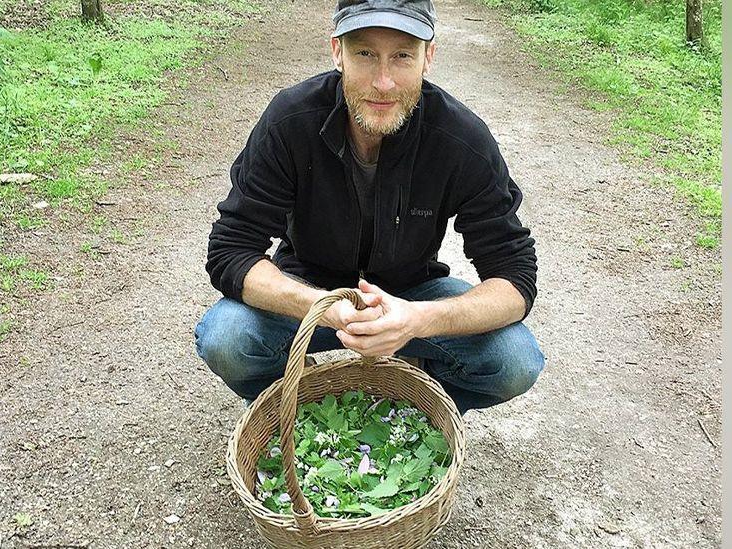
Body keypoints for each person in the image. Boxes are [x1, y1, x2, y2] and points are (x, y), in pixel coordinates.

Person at [195, 0, 544, 414]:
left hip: (413, 291)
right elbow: (230, 251)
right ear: (337, 51)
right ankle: (305, 403)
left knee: (515, 360)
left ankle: (408, 407)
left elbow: (514, 277)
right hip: (309, 287)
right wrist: (324, 310)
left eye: (402, 56)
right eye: (365, 54)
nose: (383, 82)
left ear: (428, 56)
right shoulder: (290, 121)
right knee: (226, 338)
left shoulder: (461, 138)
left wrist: (417, 319)